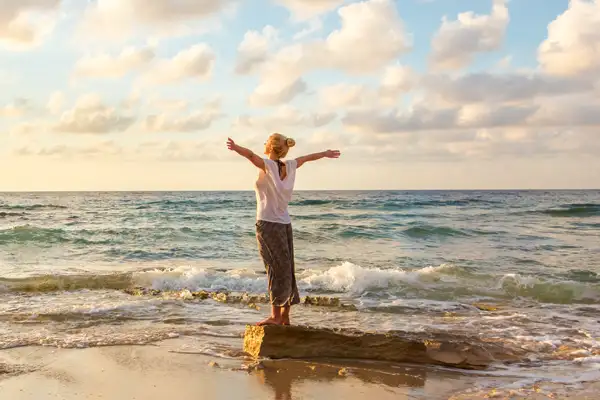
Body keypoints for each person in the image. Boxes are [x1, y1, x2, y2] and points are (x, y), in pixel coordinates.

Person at [226, 133, 341, 326]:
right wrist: (325, 153)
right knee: (287, 268)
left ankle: (275, 316)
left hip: (268, 224)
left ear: (270, 147)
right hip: (285, 224)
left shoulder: (268, 165)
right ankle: (285, 316)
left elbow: (250, 155)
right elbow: (307, 158)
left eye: (266, 142)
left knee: (274, 268)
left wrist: (236, 147)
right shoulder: (290, 165)